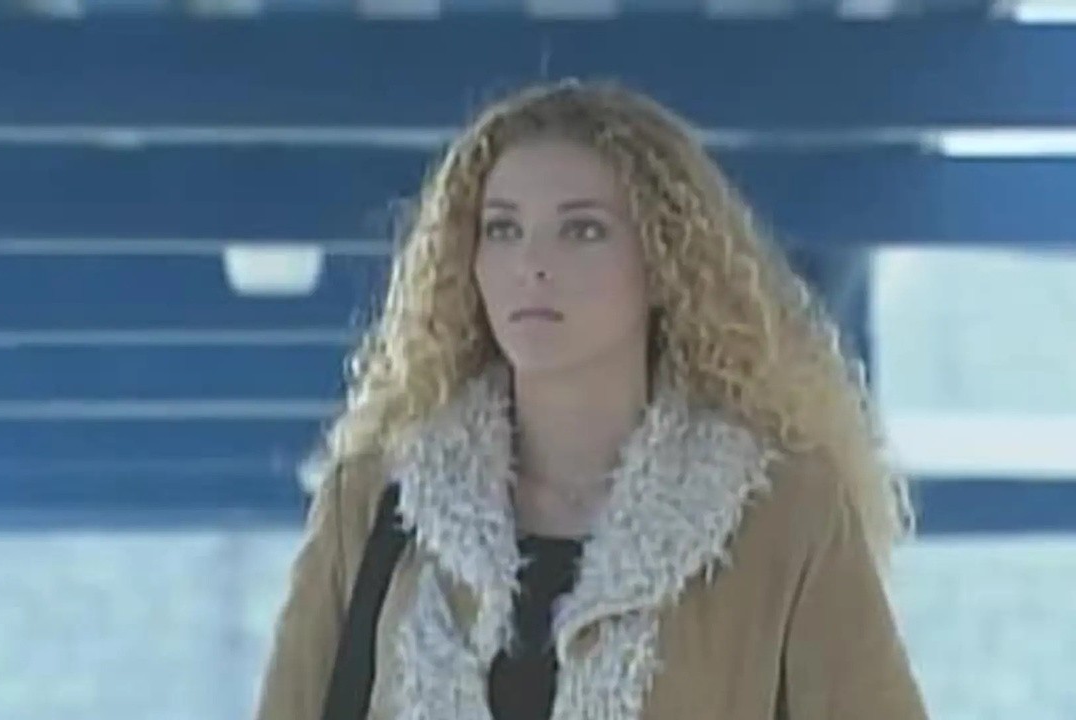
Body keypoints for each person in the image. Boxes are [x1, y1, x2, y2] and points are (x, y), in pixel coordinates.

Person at [253, 79, 929, 720]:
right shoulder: (374, 501)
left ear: (663, 262)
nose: (533, 264)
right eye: (503, 229)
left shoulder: (786, 512)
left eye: (582, 230)